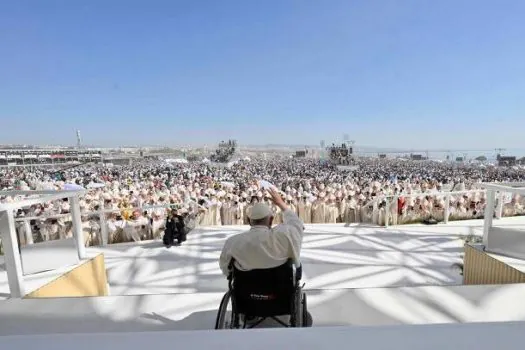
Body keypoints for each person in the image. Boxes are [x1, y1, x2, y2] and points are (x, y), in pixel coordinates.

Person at [219, 187, 312, 326]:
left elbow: (226, 269)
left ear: (250, 221)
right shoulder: (284, 236)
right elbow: (297, 224)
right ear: (271, 220)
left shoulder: (233, 242)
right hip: (281, 298)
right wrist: (281, 203)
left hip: (247, 298)